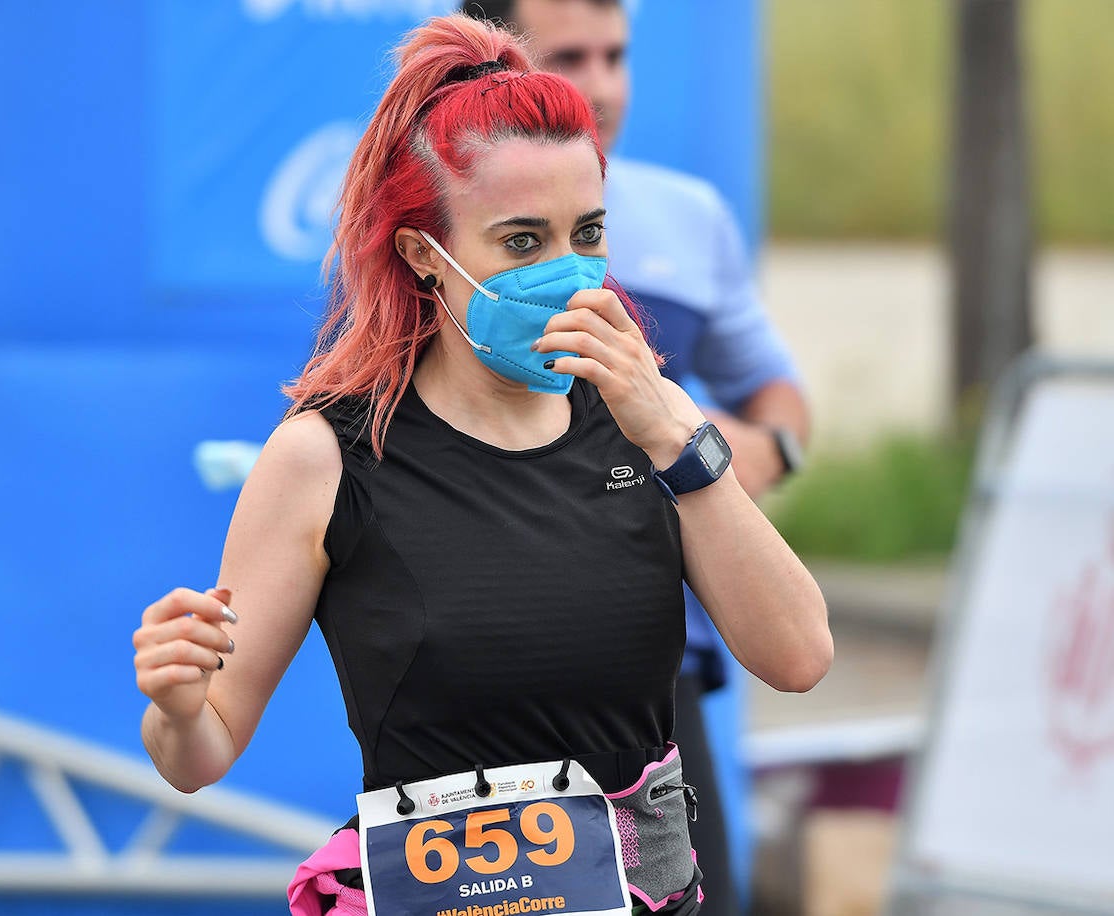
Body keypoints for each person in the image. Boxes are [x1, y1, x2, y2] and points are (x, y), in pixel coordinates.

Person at [132, 14, 830, 915]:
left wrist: (677, 441)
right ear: (425, 255)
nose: (568, 273)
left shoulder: (648, 419)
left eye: (588, 233)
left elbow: (801, 655)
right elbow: (203, 752)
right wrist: (178, 704)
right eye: (521, 242)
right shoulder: (326, 455)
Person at [462, 3, 811, 910]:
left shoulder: (691, 219)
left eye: (616, 54)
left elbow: (783, 406)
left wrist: (700, 452)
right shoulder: (438, 230)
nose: (603, 83)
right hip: (490, 656)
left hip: (654, 654)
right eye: (569, 56)